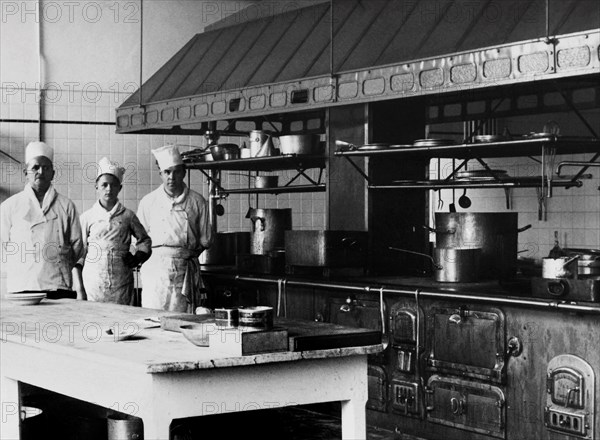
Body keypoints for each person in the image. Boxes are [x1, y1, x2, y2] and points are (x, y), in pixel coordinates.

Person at [0, 141, 84, 299]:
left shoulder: (66, 206)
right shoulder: (10, 206)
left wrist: (60, 265)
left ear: (53, 173)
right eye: (35, 167)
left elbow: (77, 246)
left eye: (46, 168)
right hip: (22, 286)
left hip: (59, 286)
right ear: (26, 172)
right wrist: (21, 266)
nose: (41, 172)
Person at [137, 145, 214, 312]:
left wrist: (185, 255)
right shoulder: (148, 201)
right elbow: (139, 240)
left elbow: (205, 240)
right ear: (160, 174)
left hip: (185, 269)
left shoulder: (197, 201)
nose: (171, 177)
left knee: (182, 319)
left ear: (184, 172)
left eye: (176, 171)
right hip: (155, 269)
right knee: (153, 316)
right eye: (167, 172)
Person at [73, 157, 152, 305]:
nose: (109, 189)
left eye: (113, 185)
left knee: (120, 322)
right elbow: (77, 255)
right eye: (104, 185)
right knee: (95, 324)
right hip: (93, 283)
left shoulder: (128, 216)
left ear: (120, 188)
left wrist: (138, 256)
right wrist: (80, 290)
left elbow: (145, 240)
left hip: (121, 282)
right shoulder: (87, 217)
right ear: (96, 187)